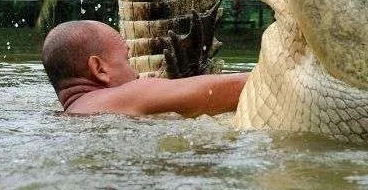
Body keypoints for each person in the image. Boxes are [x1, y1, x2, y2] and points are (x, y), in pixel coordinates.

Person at [42, 19, 249, 117]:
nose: (136, 73)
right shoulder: (123, 97)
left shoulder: (72, 115)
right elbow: (235, 89)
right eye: (127, 59)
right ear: (99, 69)